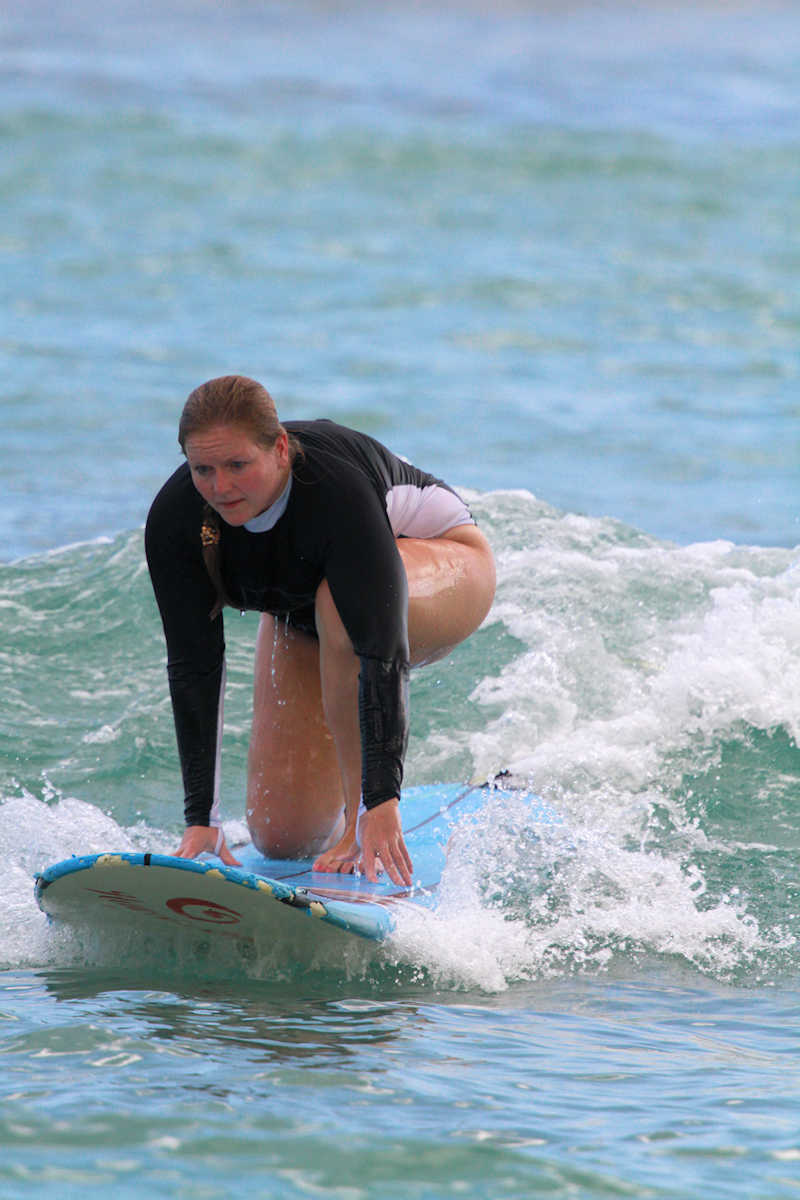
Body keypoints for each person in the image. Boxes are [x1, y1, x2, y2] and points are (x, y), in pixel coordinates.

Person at [145, 375, 495, 886]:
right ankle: (342, 814)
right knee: (284, 838)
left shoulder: (336, 493)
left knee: (339, 599)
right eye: (203, 469)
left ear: (281, 449)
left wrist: (379, 801)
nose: (220, 487)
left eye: (238, 465)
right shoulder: (176, 520)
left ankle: (359, 822)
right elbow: (194, 665)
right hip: (314, 611)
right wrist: (203, 821)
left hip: (445, 563)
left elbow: (380, 648)